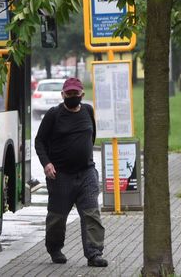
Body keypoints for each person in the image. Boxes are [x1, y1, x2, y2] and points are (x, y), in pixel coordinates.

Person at [34, 77, 108, 267]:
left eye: (76, 94)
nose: (73, 97)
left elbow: (91, 137)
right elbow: (39, 141)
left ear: (82, 94)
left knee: (91, 213)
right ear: (63, 95)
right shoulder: (54, 114)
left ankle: (94, 254)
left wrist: (83, 156)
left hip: (86, 173)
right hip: (60, 175)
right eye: (69, 94)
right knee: (57, 218)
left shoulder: (88, 111)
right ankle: (55, 248)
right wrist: (47, 163)